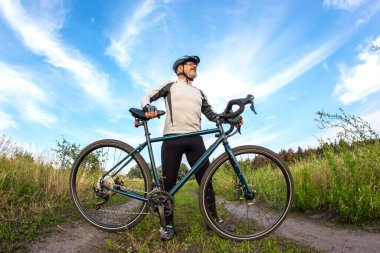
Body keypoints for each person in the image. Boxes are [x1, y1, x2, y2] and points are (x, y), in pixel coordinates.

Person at [141, 55, 240, 240]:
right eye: (190, 64)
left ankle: (213, 222)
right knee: (168, 184)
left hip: (195, 139)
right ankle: (168, 225)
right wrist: (147, 107)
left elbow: (213, 115)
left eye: (195, 65)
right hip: (172, 138)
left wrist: (230, 117)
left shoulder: (199, 92)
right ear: (180, 69)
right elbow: (147, 96)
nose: (195, 66)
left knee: (206, 181)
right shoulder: (169, 85)